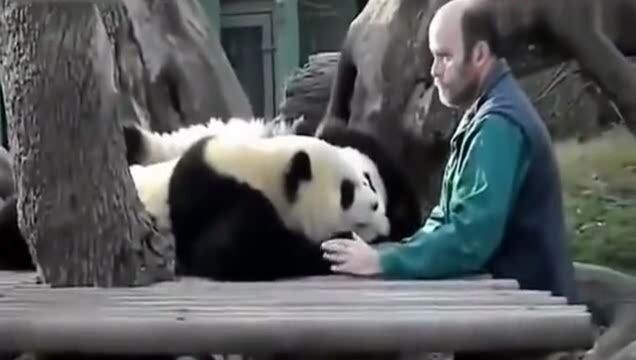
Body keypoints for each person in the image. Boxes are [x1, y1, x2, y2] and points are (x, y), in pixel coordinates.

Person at [321, 0, 578, 303]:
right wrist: (391, 253)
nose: (434, 71)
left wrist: (384, 262)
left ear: (480, 54)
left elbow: (469, 239)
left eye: (444, 57)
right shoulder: (487, 113)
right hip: (509, 303)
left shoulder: (498, 126)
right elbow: (447, 221)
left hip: (528, 314)